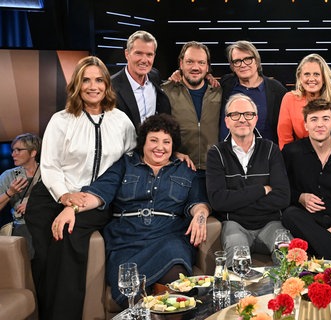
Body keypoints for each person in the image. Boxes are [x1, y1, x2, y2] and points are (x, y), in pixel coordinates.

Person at [52, 114, 210, 305]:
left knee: (176, 279)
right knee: (132, 291)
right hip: (126, 241)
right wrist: (73, 208)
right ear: (143, 142)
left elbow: (198, 201)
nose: (160, 147)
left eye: (166, 142)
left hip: (168, 237)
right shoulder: (125, 165)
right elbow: (99, 191)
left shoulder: (185, 169)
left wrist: (201, 214)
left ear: (173, 146)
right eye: (153, 140)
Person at [24, 56, 137, 320]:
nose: (93, 86)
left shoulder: (120, 121)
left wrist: (80, 202)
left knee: (67, 239)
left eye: (99, 80)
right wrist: (65, 197)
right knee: (44, 257)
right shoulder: (61, 120)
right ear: (77, 84)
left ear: (107, 85)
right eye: (86, 80)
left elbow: (131, 159)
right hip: (53, 194)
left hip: (94, 198)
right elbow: (49, 166)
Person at [206, 93, 290, 263]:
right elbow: (218, 201)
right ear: (227, 121)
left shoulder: (270, 149)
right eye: (235, 114)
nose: (242, 119)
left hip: (271, 224)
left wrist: (236, 201)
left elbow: (282, 197)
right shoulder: (216, 153)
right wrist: (261, 190)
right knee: (238, 258)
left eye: (248, 114)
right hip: (235, 225)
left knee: (289, 255)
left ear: (256, 119)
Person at [281, 99, 331, 262]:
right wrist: (300, 197)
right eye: (314, 119)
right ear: (305, 125)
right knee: (289, 215)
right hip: (305, 221)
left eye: (325, 119)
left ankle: (324, 253)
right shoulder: (290, 152)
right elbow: (282, 191)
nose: (320, 124)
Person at [162, 41, 222, 201]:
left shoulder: (220, 91)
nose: (196, 67)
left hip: (215, 170)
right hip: (179, 170)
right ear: (181, 64)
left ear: (207, 67)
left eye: (201, 62)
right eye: (190, 62)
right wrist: (173, 153)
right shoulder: (165, 92)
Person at [219, 40, 287, 144]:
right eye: (237, 61)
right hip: (227, 157)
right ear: (232, 67)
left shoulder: (276, 90)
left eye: (248, 59)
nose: (243, 65)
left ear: (256, 61)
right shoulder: (226, 84)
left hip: (264, 157)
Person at [277, 53, 331, 149]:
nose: (311, 79)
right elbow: (285, 140)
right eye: (307, 74)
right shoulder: (289, 99)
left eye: (316, 74)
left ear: (323, 77)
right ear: (300, 77)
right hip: (298, 156)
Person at [112, 30, 172, 128]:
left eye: (149, 55)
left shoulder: (155, 75)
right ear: (127, 54)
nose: (144, 60)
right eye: (138, 53)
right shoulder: (112, 86)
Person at [0, 133, 41, 255]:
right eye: (13, 150)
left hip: (45, 221)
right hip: (22, 225)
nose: (13, 154)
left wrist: (33, 203)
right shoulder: (8, 176)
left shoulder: (47, 172)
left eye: (18, 150)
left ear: (33, 153)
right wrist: (10, 192)